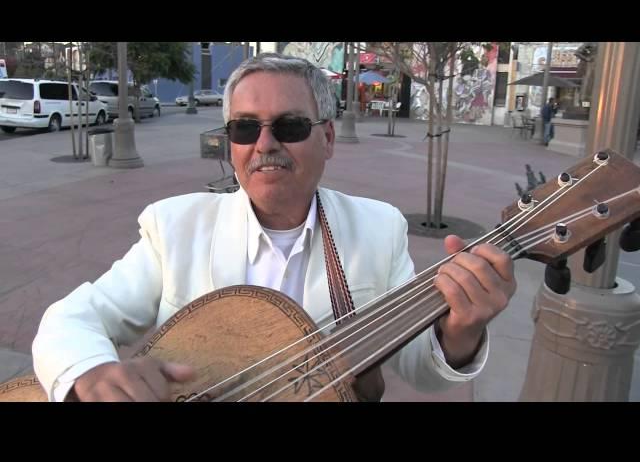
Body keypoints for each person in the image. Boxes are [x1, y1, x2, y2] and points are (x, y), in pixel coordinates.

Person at [32, 53, 516, 402]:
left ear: (327, 139)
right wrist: (90, 371)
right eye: (245, 128)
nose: (264, 144)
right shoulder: (175, 226)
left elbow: (419, 368)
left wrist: (461, 329)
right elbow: (73, 317)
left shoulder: (378, 228)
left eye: (288, 126)